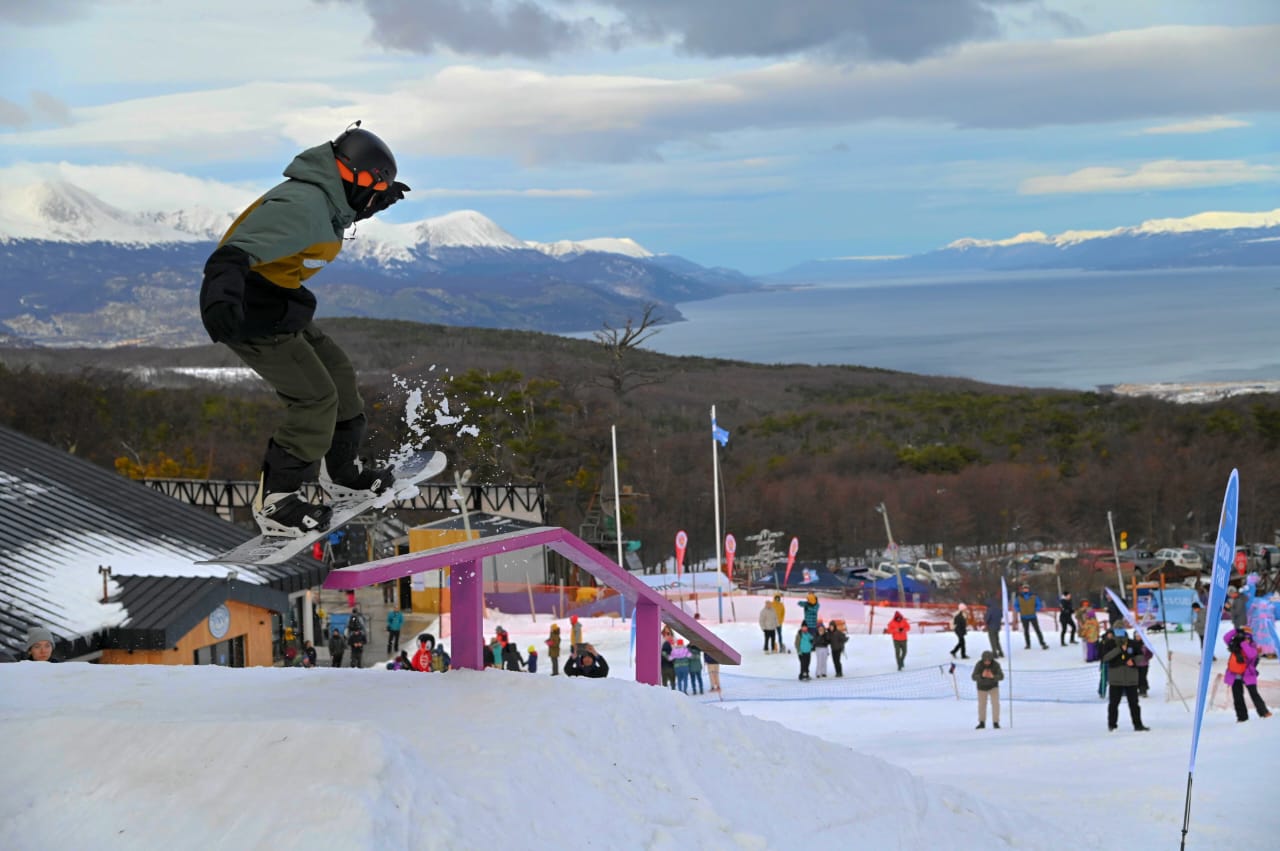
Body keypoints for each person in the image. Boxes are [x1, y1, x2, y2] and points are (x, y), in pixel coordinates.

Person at [198, 124, 410, 536]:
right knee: (315, 399)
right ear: (352, 177)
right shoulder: (303, 204)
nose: (372, 200)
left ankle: (343, 476)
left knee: (340, 379)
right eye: (372, 189)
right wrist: (221, 295)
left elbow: (338, 211)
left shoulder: (326, 199)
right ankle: (276, 501)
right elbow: (232, 253)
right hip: (251, 313)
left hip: (280, 305)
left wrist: (374, 200)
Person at [1102, 632, 1150, 732]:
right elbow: (1105, 658)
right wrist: (1119, 650)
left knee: (1134, 704)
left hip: (1131, 679)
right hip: (1116, 680)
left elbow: (1141, 657)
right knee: (1114, 704)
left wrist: (1133, 661)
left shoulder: (1133, 644)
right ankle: (1112, 725)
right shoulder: (1110, 644)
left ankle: (1138, 725)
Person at [1224, 626, 1272, 721]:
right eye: (1244, 636)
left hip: (1248, 675)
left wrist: (1244, 644)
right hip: (1235, 675)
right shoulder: (1235, 645)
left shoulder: (1252, 646)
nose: (1246, 638)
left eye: (1248, 637)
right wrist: (1236, 630)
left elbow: (1251, 654)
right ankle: (1242, 717)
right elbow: (1226, 637)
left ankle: (1264, 712)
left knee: (1254, 694)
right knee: (1238, 697)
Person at [971, 650, 1003, 729]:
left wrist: (993, 677)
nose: (987, 662)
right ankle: (982, 722)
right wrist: (981, 676)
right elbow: (973, 676)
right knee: (981, 705)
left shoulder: (996, 665)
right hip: (981, 688)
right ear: (983, 659)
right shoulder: (979, 664)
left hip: (993, 687)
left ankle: (996, 722)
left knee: (996, 704)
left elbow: (1001, 676)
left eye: (989, 660)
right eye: (985, 660)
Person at [1016, 584, 1049, 650]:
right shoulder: (1019, 597)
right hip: (1024, 616)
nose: (1025, 589)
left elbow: (1039, 604)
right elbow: (1016, 605)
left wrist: (1036, 609)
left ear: (1029, 589)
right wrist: (1019, 610)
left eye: (1027, 588)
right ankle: (1028, 644)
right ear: (1023, 589)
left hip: (1032, 616)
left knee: (1037, 630)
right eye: (1024, 588)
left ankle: (1042, 643)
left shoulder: (1034, 596)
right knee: (1026, 631)